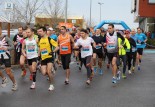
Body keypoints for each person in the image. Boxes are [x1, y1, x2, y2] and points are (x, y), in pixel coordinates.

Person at [38, 27, 59, 91]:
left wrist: (52, 51)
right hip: (43, 58)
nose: (39, 33)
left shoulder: (50, 39)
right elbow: (40, 48)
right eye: (38, 31)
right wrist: (38, 55)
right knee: (44, 73)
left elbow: (57, 47)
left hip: (49, 57)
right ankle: (52, 71)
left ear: (44, 32)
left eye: (40, 31)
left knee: (48, 71)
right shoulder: (40, 40)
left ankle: (51, 85)